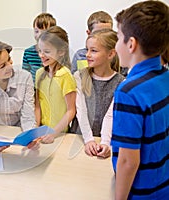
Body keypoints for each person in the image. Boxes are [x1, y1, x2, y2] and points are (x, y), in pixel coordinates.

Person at [111, 1, 169, 199]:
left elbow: (128, 162)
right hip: (163, 185)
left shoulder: (128, 91)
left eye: (118, 38)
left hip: (141, 192)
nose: (116, 45)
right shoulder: (165, 76)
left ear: (131, 44)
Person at [73, 29, 125, 158]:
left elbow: (110, 116)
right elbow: (81, 110)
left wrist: (105, 143)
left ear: (111, 54)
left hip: (105, 140)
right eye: (87, 49)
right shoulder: (79, 76)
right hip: (80, 137)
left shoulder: (121, 82)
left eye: (94, 51)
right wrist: (88, 140)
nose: (88, 55)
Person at [35, 26, 76, 144]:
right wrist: (35, 130)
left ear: (61, 52)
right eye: (40, 51)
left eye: (47, 52)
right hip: (41, 133)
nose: (41, 55)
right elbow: (37, 106)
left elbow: (71, 110)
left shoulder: (65, 76)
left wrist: (53, 134)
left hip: (60, 135)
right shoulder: (39, 74)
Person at [22, 13, 56, 83]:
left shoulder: (56, 52)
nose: (39, 35)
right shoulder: (28, 52)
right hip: (34, 90)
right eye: (36, 31)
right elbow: (25, 76)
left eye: (44, 31)